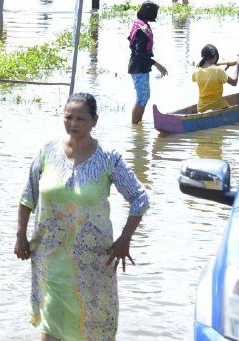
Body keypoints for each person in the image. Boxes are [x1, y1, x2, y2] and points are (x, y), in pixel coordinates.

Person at [14, 93, 149, 341]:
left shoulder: (109, 158)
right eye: (68, 118)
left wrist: (125, 239)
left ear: (94, 121)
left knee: (91, 327)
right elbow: (27, 198)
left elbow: (140, 199)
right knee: (51, 326)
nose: (73, 124)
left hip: (94, 262)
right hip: (51, 259)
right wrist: (20, 236)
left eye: (80, 119)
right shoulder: (47, 152)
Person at [128, 1, 168, 124]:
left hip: (139, 66)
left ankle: (138, 124)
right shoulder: (142, 30)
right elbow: (140, 53)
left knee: (144, 96)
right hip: (138, 66)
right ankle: (135, 126)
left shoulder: (140, 25)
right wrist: (156, 64)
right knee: (142, 97)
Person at [193, 44, 239, 112]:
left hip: (201, 108)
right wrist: (237, 66)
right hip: (218, 106)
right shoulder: (218, 70)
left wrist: (227, 67)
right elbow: (234, 82)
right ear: (215, 56)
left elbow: (211, 75)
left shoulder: (197, 71)